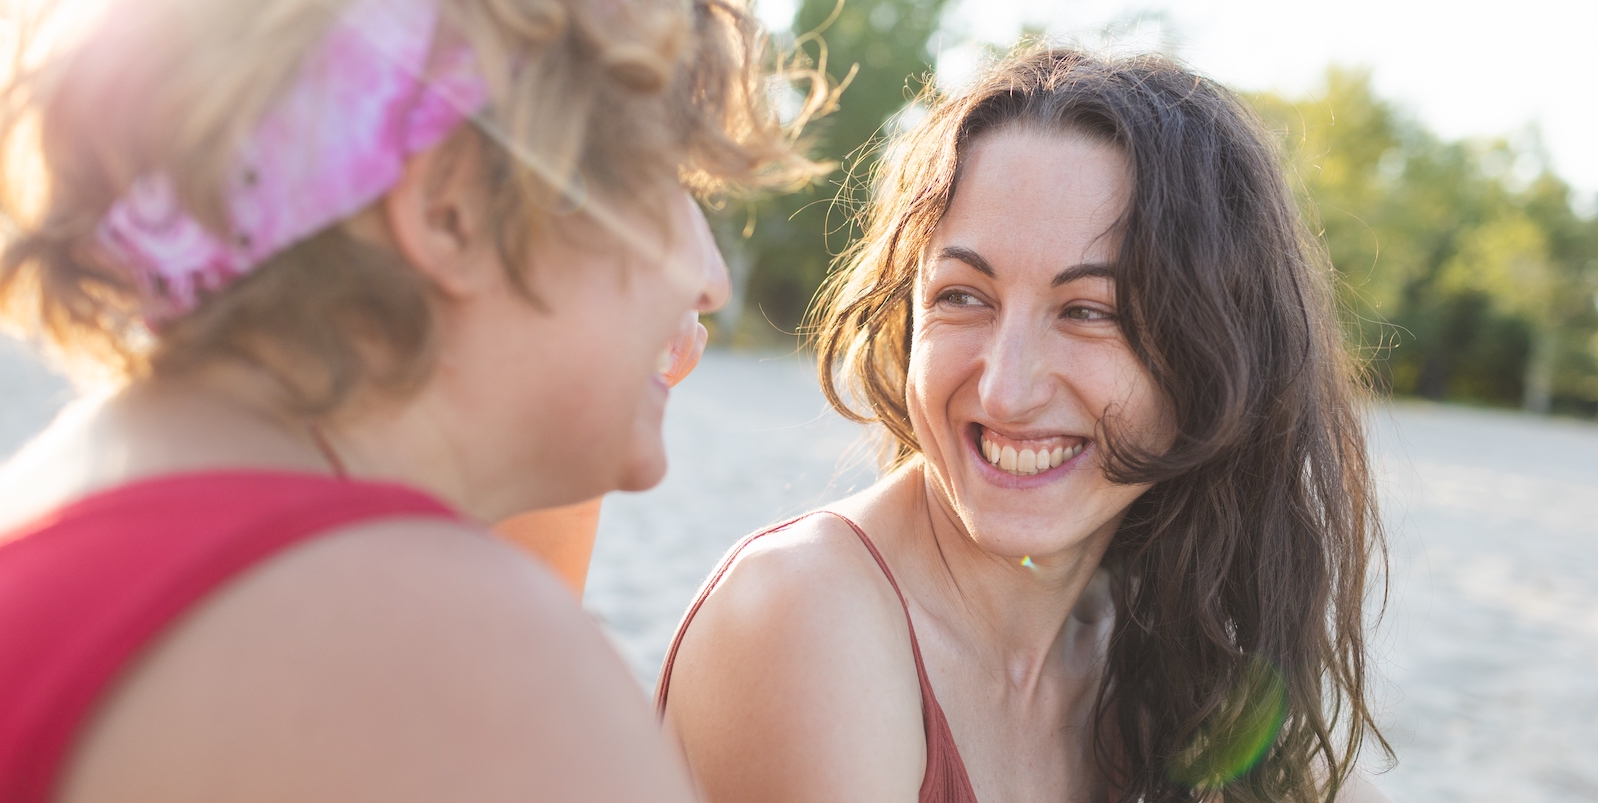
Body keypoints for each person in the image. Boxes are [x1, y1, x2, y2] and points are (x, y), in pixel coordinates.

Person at [0, 0, 819, 799]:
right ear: (453, 208)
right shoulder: (458, 663)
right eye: (668, 181)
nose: (710, 278)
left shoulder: (67, 503)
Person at [657, 48, 1393, 803]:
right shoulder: (805, 613)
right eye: (963, 296)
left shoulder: (1171, 667)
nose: (1006, 390)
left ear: (1217, 364)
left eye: (1088, 312)